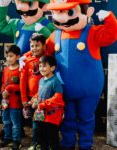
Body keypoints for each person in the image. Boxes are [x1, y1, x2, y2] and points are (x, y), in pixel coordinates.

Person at [46, 0, 117, 150]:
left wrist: (109, 18)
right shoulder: (55, 35)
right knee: (68, 119)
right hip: (64, 88)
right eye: (58, 12)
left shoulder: (92, 32)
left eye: (70, 12)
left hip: (89, 88)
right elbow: (46, 54)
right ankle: (68, 144)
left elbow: (111, 35)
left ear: (88, 12)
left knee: (86, 117)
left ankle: (85, 145)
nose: (63, 18)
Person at [30, 55, 65, 150]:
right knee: (42, 137)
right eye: (40, 66)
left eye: (44, 66)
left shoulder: (55, 81)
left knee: (52, 138)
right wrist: (33, 100)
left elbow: (58, 98)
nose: (41, 68)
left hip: (52, 117)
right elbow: (39, 93)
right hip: (41, 115)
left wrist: (42, 104)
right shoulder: (41, 80)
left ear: (53, 68)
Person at [20, 33, 46, 150]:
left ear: (44, 46)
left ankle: (47, 143)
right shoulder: (26, 60)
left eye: (37, 45)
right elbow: (22, 81)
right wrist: (24, 98)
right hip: (32, 98)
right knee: (35, 123)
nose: (34, 48)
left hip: (45, 97)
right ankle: (36, 143)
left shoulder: (48, 58)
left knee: (46, 123)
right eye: (32, 46)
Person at [0, 45, 22, 150]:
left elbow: (21, 87)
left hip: (15, 102)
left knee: (15, 123)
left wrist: (10, 88)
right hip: (5, 101)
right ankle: (7, 138)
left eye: (11, 56)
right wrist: (3, 91)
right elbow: (3, 83)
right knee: (6, 121)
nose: (8, 58)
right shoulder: (6, 69)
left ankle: (16, 141)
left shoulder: (20, 70)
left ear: (17, 57)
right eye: (7, 56)